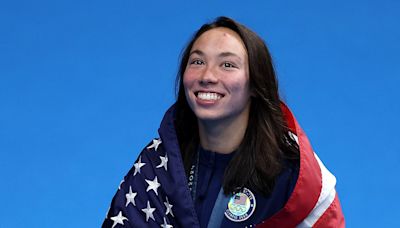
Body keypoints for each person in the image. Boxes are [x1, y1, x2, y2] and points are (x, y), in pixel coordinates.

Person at [102, 16, 345, 228]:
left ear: (255, 84)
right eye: (197, 62)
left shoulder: (293, 175)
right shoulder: (157, 163)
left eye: (227, 65)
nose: (207, 76)